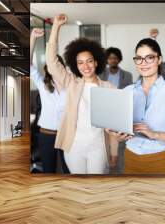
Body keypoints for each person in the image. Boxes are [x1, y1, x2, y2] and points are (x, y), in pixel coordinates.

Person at [45, 14, 118, 174]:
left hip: (98, 147)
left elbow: (113, 125)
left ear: (96, 62)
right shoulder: (72, 83)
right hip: (74, 146)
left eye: (89, 61)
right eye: (80, 62)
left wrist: (114, 152)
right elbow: (51, 62)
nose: (85, 66)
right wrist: (56, 27)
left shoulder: (109, 88)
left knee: (95, 188)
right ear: (75, 65)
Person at [110, 38, 165, 174]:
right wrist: (117, 135)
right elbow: (116, 132)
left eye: (149, 57)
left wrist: (154, 134)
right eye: (139, 58)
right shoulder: (126, 92)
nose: (143, 63)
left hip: (159, 160)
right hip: (129, 159)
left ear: (159, 59)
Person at [30, 28, 68, 173]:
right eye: (52, 65)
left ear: (62, 67)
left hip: (66, 135)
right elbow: (28, 64)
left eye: (58, 65)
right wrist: (33, 38)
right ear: (48, 68)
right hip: (47, 135)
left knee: (68, 169)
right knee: (49, 170)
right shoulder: (42, 85)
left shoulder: (70, 85)